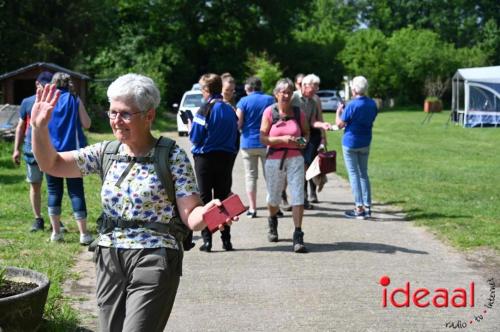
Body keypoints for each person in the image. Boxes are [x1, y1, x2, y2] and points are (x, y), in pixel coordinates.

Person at [31, 73, 234, 331]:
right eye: (112, 112)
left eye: (125, 114)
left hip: (155, 255)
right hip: (109, 255)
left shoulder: (171, 155)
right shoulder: (106, 152)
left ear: (149, 116)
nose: (117, 121)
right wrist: (39, 128)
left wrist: (209, 213)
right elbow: (52, 163)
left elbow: (191, 217)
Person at [190, 73, 239, 252]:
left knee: (205, 198)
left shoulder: (205, 109)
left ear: (206, 90)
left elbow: (195, 137)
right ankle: (227, 240)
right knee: (224, 197)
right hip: (226, 158)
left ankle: (207, 240)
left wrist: (190, 127)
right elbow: (236, 137)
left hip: (205, 158)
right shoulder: (230, 109)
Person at [260, 78, 309, 253]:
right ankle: (272, 220)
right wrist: (282, 139)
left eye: (289, 92)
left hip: (295, 158)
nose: (286, 95)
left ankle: (298, 234)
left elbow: (306, 134)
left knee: (298, 195)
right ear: (276, 94)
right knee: (273, 197)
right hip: (274, 159)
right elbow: (263, 138)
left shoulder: (298, 113)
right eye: (283, 92)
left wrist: (301, 142)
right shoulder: (269, 112)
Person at [44, 72, 93, 244]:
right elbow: (87, 124)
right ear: (69, 84)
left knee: (53, 191)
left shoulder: (47, 101)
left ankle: (56, 233)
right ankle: (84, 234)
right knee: (76, 192)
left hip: (51, 153)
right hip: (73, 153)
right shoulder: (75, 100)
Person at [12, 71, 53, 232]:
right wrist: (16, 149)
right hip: (31, 149)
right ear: (37, 84)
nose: (48, 88)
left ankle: (54, 219)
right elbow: (20, 126)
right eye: (45, 85)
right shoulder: (27, 102)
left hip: (51, 148)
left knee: (53, 186)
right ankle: (38, 219)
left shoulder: (55, 101)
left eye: (51, 85)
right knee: (35, 185)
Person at [335, 76, 378, 219]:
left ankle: (358, 208)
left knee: (354, 175)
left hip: (351, 142)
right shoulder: (372, 104)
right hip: (365, 141)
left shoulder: (352, 105)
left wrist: (339, 111)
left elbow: (340, 124)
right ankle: (367, 206)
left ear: (354, 89)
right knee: (363, 174)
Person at [236, 76, 275, 218]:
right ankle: (273, 205)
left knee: (251, 176)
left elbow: (238, 123)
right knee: (270, 176)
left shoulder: (243, 101)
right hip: (266, 142)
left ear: (248, 87)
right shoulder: (269, 100)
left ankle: (252, 209)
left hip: (247, 143)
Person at [291, 74, 331, 208]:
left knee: (306, 165)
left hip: (306, 137)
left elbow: (313, 121)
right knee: (299, 166)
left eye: (316, 89)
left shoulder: (313, 101)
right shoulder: (293, 98)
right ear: (304, 85)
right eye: (313, 89)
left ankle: (304, 198)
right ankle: (293, 198)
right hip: (295, 137)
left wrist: (322, 126)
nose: (315, 92)